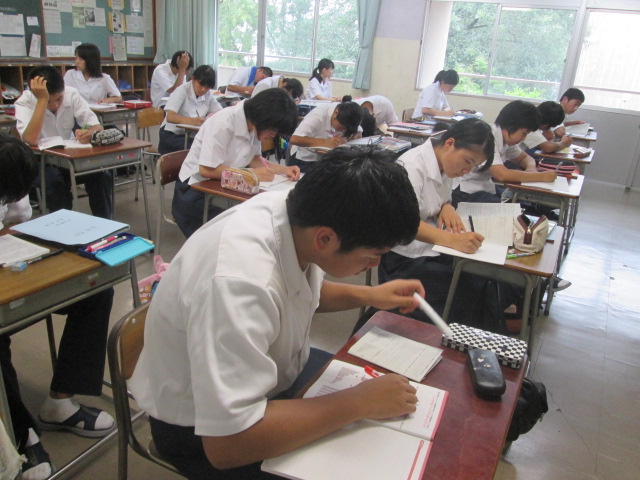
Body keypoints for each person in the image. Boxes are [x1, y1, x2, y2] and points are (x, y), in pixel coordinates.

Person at [129, 146, 425, 480]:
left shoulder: (297, 212)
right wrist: (358, 403)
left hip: (272, 379)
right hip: (198, 429)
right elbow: (228, 445)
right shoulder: (239, 281)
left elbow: (294, 292)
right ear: (325, 239)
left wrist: (371, 295)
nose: (374, 265)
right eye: (372, 256)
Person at [0, 134, 115, 480]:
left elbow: (19, 220)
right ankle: (21, 435)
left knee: (96, 292)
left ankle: (60, 401)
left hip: (9, 261)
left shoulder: (8, 170)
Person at [354, 119, 497, 332]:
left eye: (473, 166)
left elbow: (440, 199)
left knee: (480, 278)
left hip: (431, 248)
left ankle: (473, 338)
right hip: (404, 258)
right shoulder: (411, 166)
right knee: (466, 286)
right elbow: (403, 222)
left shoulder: (445, 165)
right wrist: (452, 240)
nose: (467, 171)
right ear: (450, 143)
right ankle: (448, 338)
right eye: (467, 161)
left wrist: (447, 207)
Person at [173, 88, 300, 238]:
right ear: (262, 117)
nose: (273, 136)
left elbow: (254, 159)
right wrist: (250, 175)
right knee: (236, 233)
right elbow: (206, 170)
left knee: (253, 221)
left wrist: (284, 170)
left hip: (223, 186)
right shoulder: (224, 122)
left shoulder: (253, 125)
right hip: (195, 190)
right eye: (273, 131)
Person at [15, 66, 112, 219]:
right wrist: (42, 100)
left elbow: (96, 126)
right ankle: (64, 225)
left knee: (101, 174)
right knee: (55, 183)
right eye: (49, 101)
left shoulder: (71, 93)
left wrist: (88, 133)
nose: (55, 105)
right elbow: (31, 139)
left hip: (68, 157)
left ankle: (105, 223)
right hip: (40, 161)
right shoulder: (24, 102)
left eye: (59, 99)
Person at [452, 100, 557, 206]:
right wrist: (540, 177)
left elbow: (525, 158)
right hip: (464, 190)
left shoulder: (505, 140)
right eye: (524, 133)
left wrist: (531, 168)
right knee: (513, 208)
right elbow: (502, 174)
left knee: (522, 203)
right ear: (511, 125)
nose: (523, 138)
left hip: (483, 185)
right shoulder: (487, 137)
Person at [158, 65, 222, 155]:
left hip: (191, 135)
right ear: (193, 79)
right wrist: (191, 121)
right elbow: (170, 117)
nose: (203, 90)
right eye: (201, 85)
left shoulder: (207, 95)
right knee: (198, 148)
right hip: (171, 134)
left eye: (207, 88)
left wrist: (209, 118)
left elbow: (220, 112)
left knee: (212, 145)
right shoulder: (182, 90)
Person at [289, 98, 362, 173]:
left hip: (325, 159)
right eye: (341, 128)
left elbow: (358, 132)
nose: (342, 131)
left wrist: (350, 137)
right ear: (336, 113)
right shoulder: (318, 115)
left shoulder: (349, 116)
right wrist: (325, 142)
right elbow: (294, 139)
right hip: (303, 159)